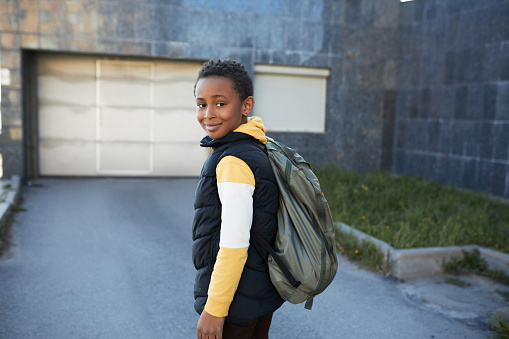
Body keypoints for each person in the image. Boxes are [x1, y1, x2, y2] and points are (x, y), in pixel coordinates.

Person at [192, 59, 284, 339]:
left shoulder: (233, 160)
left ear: (246, 105)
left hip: (235, 302)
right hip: (258, 294)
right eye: (201, 103)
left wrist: (215, 308)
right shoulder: (255, 146)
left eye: (220, 103)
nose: (208, 114)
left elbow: (234, 244)